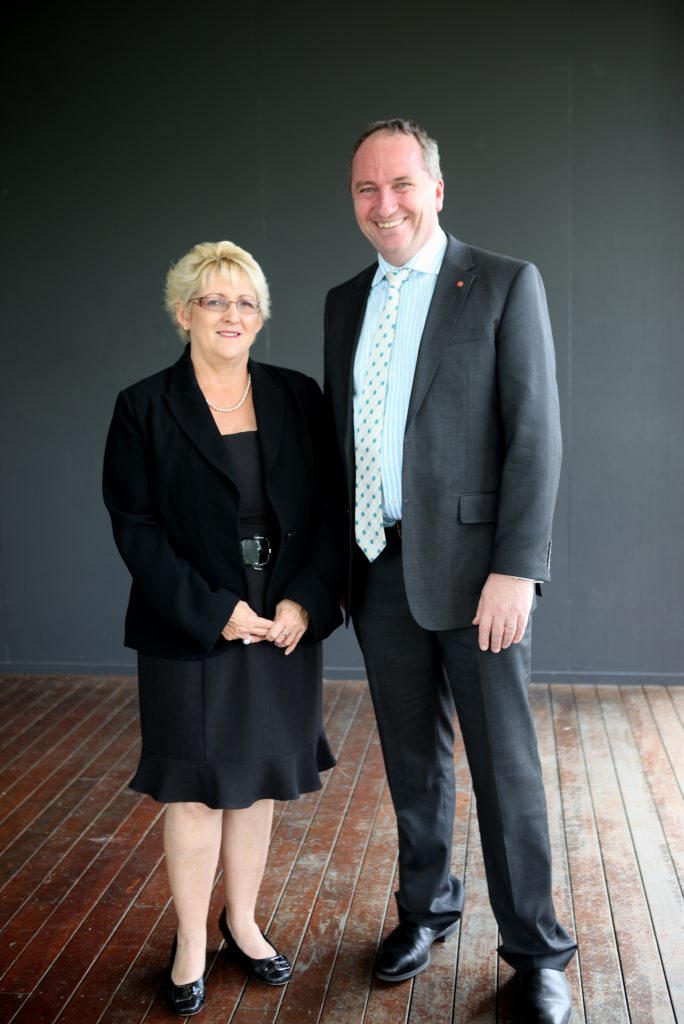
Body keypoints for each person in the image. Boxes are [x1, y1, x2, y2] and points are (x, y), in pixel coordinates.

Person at [323, 120, 576, 1024]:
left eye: (398, 185)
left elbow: (535, 436)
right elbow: (340, 446)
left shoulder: (503, 283)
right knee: (410, 761)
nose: (382, 204)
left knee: (505, 767)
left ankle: (537, 950)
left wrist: (516, 569)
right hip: (378, 566)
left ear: (435, 189)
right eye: (364, 190)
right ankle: (425, 910)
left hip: (479, 577)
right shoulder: (344, 302)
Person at [103, 241, 341, 1016]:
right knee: (199, 793)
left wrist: (304, 601)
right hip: (193, 624)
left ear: (262, 316)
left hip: (282, 621)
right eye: (214, 301)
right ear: (184, 314)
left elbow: (329, 513)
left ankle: (241, 924)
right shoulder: (142, 406)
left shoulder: (298, 396)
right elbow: (135, 529)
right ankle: (191, 940)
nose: (231, 314)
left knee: (259, 786)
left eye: (245, 302)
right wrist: (215, 611)